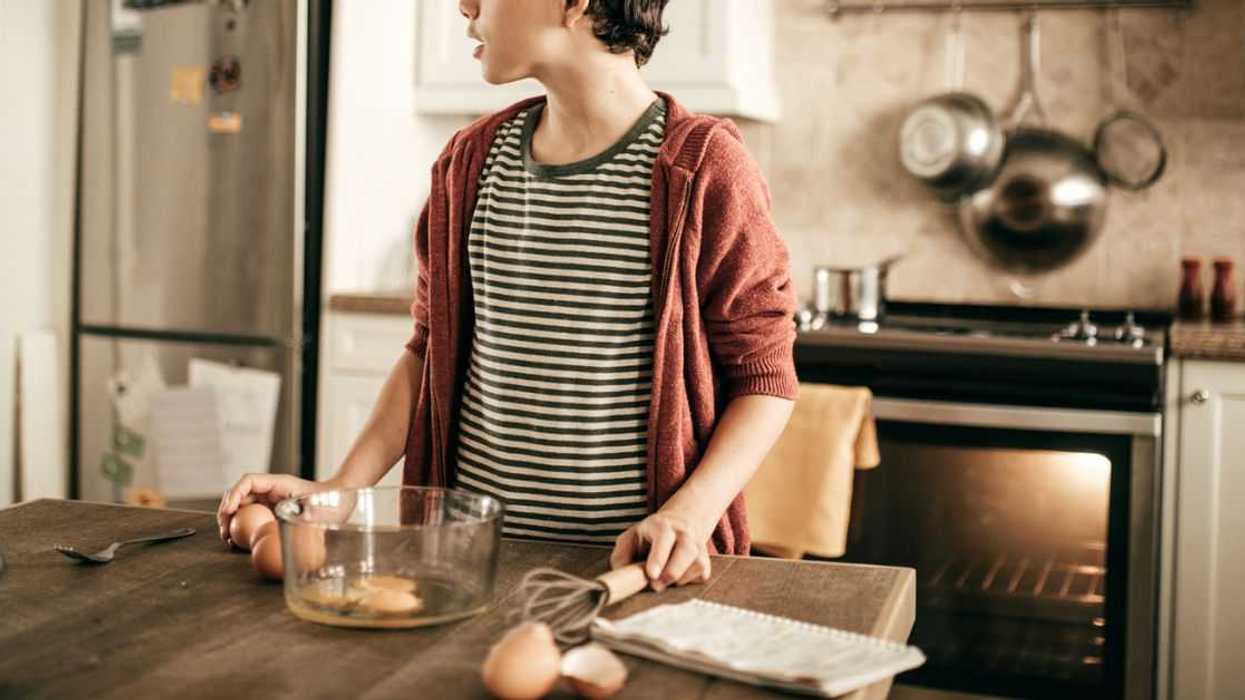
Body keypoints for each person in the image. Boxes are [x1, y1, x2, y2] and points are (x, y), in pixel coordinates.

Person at [219, 0, 797, 591]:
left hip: (634, 576)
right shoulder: (469, 163)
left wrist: (690, 514)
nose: (465, 6)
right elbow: (427, 353)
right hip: (465, 565)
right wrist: (338, 492)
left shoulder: (704, 168)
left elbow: (765, 379)